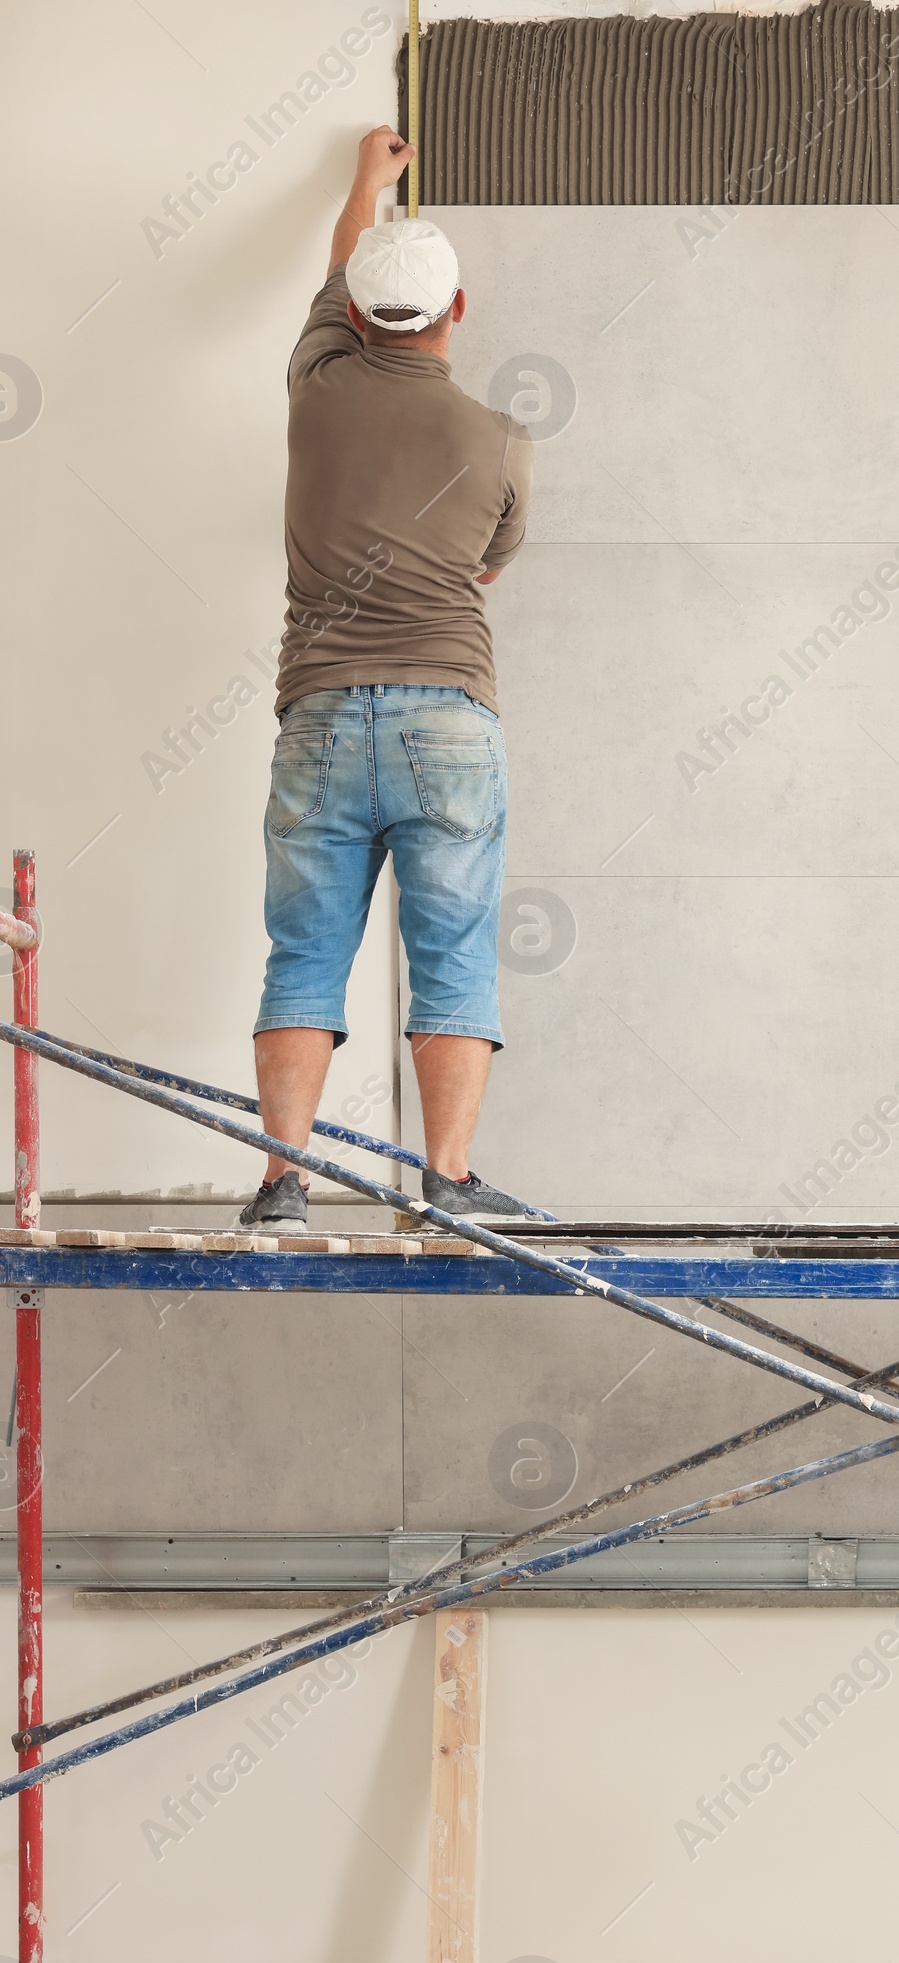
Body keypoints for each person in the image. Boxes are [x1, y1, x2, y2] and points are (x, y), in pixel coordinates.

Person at [240, 125, 534, 1228]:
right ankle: (447, 1185)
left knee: (304, 951)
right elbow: (489, 564)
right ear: (457, 312)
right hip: (448, 719)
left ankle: (280, 1183)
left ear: (354, 314)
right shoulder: (503, 440)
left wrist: (371, 180)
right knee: (452, 952)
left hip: (316, 717)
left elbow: (342, 257)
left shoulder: (313, 383)